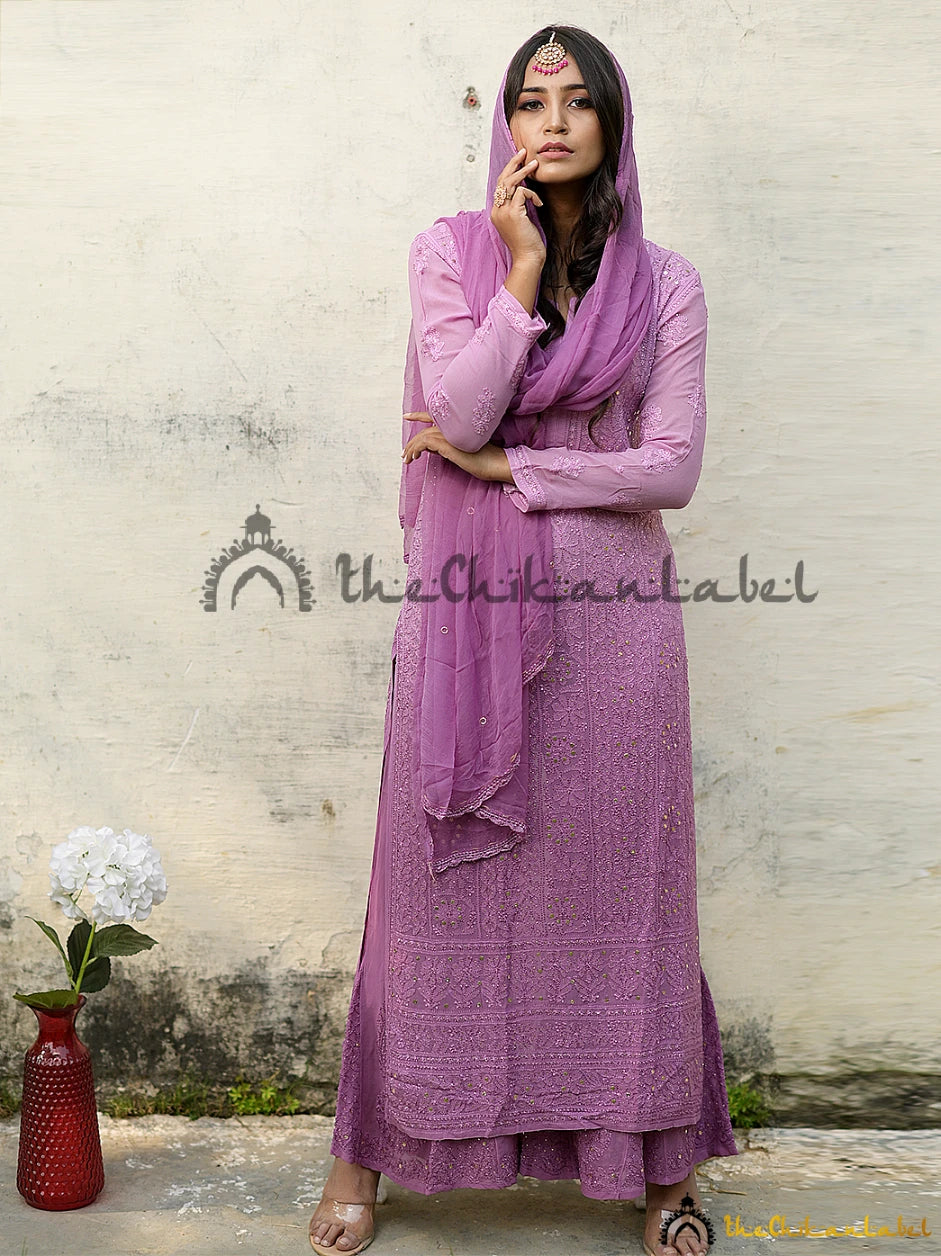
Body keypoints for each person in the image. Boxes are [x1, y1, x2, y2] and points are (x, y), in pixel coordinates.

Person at [309, 25, 739, 1256]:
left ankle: (657, 1168)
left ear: (611, 123)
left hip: (615, 626)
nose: (550, 120)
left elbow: (671, 466)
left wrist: (512, 467)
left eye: (577, 100)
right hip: (464, 618)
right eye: (527, 100)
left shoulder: (667, 284)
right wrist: (514, 275)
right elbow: (449, 407)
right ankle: (366, 1153)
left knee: (629, 890)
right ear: (501, 126)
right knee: (427, 890)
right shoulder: (448, 255)